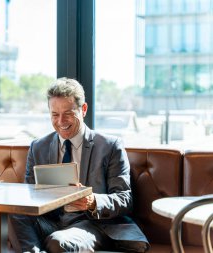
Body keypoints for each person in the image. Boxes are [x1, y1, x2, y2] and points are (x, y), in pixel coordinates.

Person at [9, 78, 149, 252]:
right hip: (51, 221)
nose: (61, 121)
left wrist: (92, 201)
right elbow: (27, 195)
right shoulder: (38, 147)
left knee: (58, 242)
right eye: (54, 114)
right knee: (16, 214)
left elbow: (124, 199)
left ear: (83, 110)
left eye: (68, 113)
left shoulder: (110, 146)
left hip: (92, 224)